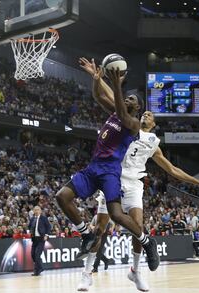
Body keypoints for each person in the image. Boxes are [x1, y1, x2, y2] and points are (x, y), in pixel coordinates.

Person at [76, 57, 199, 292]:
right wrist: (97, 78)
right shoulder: (126, 122)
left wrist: (198, 183)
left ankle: (136, 271)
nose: (146, 116)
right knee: (99, 229)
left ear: (153, 123)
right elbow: (112, 96)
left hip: (133, 185)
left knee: (137, 226)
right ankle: (87, 273)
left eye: (151, 115)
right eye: (145, 113)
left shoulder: (152, 142)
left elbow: (172, 170)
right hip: (113, 177)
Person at [55, 62, 160, 274]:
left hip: (111, 171)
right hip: (94, 167)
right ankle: (85, 234)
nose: (128, 100)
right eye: (127, 97)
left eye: (132, 99)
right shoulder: (115, 112)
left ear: (137, 108)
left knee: (116, 215)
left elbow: (121, 111)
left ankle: (147, 241)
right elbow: (98, 97)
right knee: (61, 196)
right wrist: (95, 79)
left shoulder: (133, 124)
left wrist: (116, 84)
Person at [28, 206, 51, 276]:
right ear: (33, 211)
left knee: (37, 254)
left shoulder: (44, 218)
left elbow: (48, 227)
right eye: (35, 210)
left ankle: (36, 271)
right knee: (33, 254)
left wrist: (46, 235)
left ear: (40, 211)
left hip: (41, 239)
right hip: (34, 239)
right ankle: (40, 268)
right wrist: (31, 232)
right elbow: (29, 226)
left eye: (38, 210)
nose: (36, 211)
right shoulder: (32, 219)